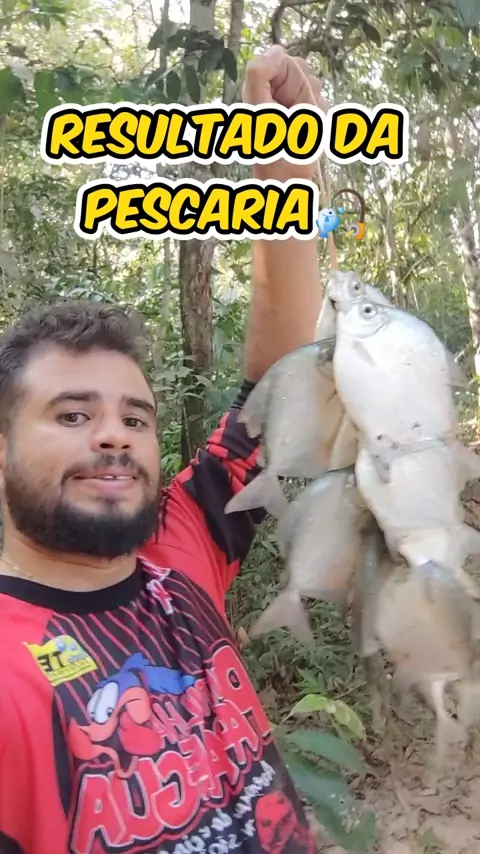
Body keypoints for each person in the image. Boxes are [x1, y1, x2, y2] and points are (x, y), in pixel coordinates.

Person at [0, 46, 326, 854]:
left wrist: (285, 157)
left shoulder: (180, 550)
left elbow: (277, 382)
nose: (115, 434)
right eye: (73, 415)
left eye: (137, 419)